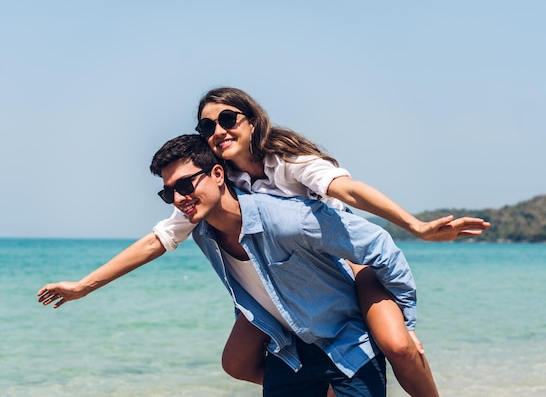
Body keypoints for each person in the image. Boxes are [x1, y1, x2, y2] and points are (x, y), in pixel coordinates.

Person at [38, 87, 490, 396]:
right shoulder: (212, 186)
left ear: (252, 121)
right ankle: (317, 380)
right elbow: (157, 240)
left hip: (349, 265)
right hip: (281, 280)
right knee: (237, 362)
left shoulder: (288, 162)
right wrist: (84, 285)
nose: (218, 131)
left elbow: (348, 196)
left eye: (228, 119)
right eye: (207, 127)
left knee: (397, 346)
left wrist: (416, 227)